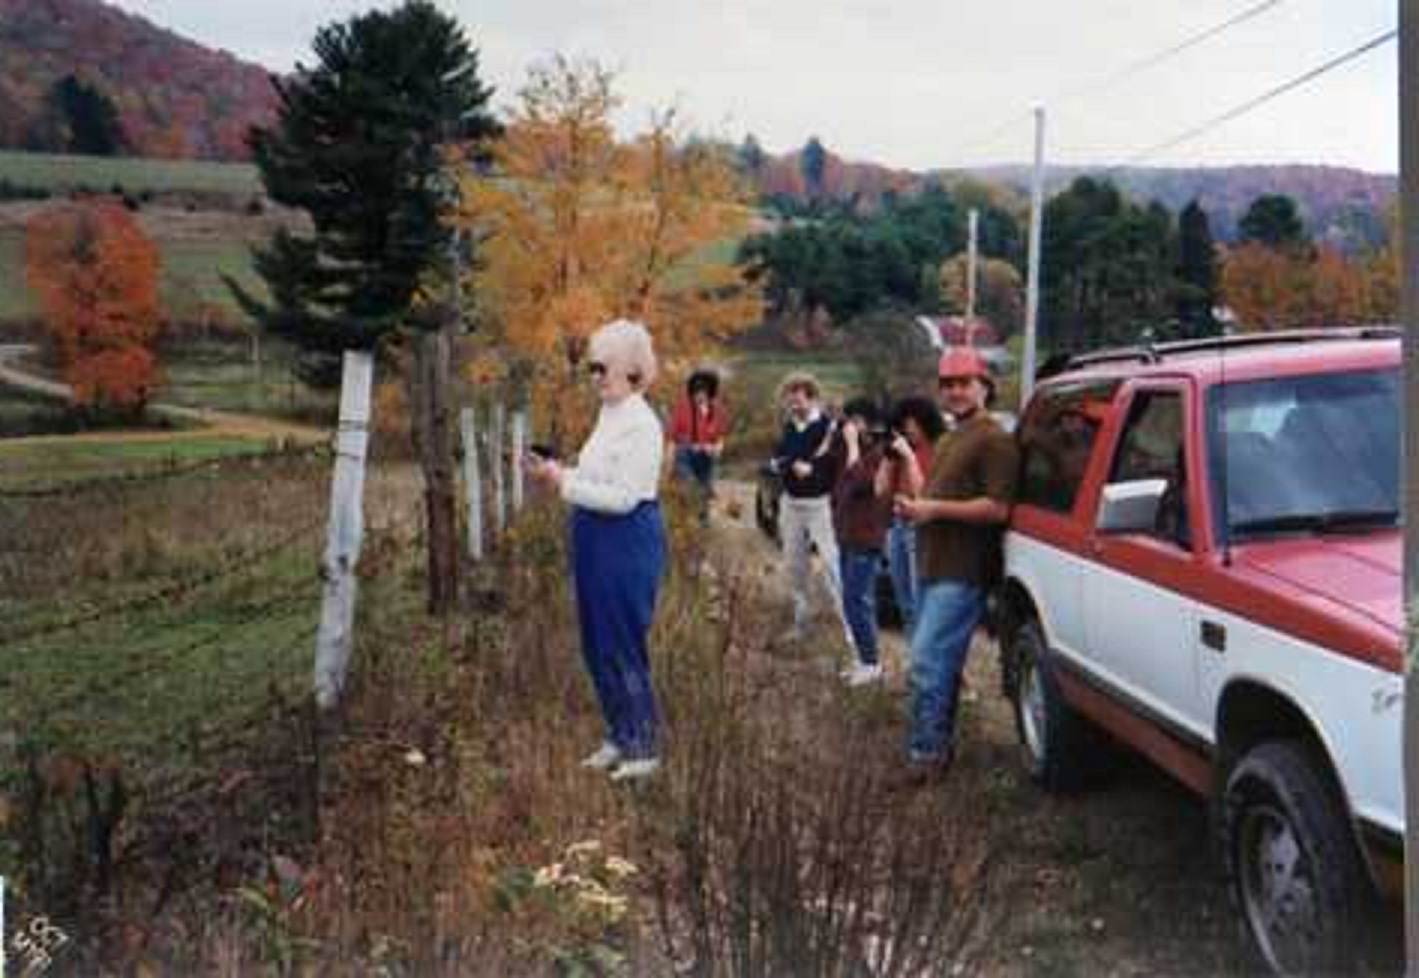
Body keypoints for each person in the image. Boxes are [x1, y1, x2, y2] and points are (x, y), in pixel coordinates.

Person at [525, 319, 667, 781]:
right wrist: (557, 469)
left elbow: (624, 497)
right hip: (593, 534)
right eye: (592, 367)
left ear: (632, 368)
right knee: (595, 642)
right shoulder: (610, 413)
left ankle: (643, 747)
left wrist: (560, 481)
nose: (594, 376)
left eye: (601, 366)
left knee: (622, 641)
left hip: (626, 538)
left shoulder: (643, 425)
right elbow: (594, 478)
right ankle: (619, 734)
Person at [892, 348, 1019, 784]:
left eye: (965, 383)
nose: (956, 392)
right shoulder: (950, 437)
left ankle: (924, 754)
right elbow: (936, 496)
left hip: (962, 569)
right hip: (933, 563)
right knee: (938, 664)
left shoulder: (994, 439)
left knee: (927, 662)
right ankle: (935, 752)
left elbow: (998, 508)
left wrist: (934, 510)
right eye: (948, 384)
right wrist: (916, 505)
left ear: (985, 385)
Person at [770, 371, 847, 643]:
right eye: (790, 402)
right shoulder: (789, 427)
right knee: (795, 565)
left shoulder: (828, 428)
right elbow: (775, 460)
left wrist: (812, 469)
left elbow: (834, 466)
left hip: (819, 504)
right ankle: (801, 625)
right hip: (791, 504)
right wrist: (792, 463)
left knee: (830, 564)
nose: (794, 406)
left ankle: (852, 632)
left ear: (812, 399)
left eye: (799, 401)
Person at [874, 395, 946, 637]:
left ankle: (926, 663)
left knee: (921, 601)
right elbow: (880, 490)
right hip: (898, 527)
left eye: (909, 424)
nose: (906, 430)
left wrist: (910, 457)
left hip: (923, 530)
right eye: (901, 425)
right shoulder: (900, 450)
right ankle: (915, 659)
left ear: (923, 421)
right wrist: (888, 457)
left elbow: (923, 494)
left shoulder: (938, 448)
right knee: (904, 601)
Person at [833, 397, 892, 685]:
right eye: (848, 420)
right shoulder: (852, 450)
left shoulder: (879, 453)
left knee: (858, 601)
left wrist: (853, 447)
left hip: (865, 538)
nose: (850, 426)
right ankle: (863, 659)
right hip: (847, 535)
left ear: (868, 422)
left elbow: (861, 484)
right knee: (850, 601)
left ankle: (872, 664)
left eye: (855, 420)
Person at [668, 368, 729, 524]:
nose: (699, 395)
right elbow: (672, 438)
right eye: (696, 391)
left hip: (707, 457)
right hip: (685, 455)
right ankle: (685, 522)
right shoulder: (682, 408)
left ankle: (703, 522)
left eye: (703, 391)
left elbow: (721, 438)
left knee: (705, 488)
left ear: (710, 392)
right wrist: (668, 461)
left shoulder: (719, 411)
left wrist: (716, 450)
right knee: (689, 487)